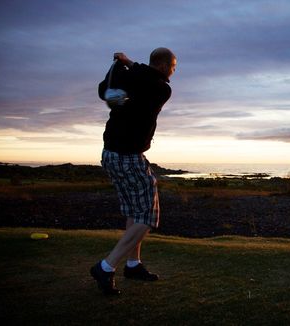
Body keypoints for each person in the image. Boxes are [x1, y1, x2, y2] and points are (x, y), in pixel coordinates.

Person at [90, 47, 177, 295]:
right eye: (173, 67)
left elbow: (105, 90)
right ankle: (106, 267)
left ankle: (133, 264)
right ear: (162, 66)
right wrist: (128, 63)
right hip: (127, 156)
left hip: (111, 154)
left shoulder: (133, 78)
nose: (173, 72)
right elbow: (141, 79)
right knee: (147, 215)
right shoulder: (161, 87)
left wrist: (126, 63)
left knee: (134, 210)